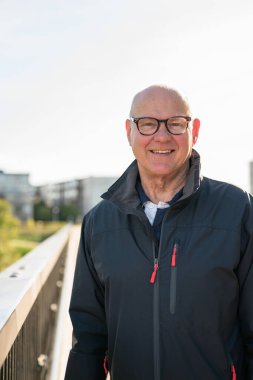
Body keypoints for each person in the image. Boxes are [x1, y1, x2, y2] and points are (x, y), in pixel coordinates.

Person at [64, 85, 253, 380]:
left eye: (176, 124)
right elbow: (88, 340)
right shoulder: (98, 223)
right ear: (129, 132)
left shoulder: (237, 209)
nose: (162, 136)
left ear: (195, 130)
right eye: (148, 123)